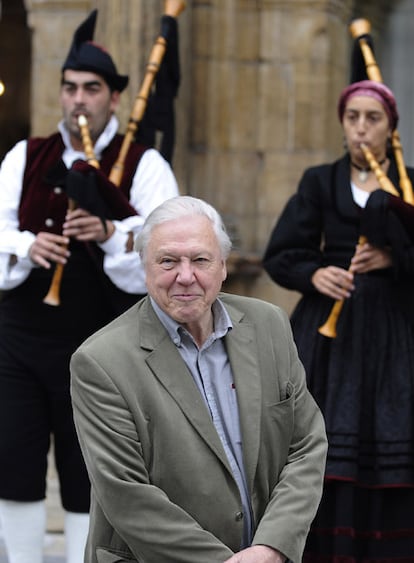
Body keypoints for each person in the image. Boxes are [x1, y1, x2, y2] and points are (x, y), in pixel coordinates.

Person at [0, 9, 179, 563]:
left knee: (89, 469)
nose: (78, 100)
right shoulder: (27, 155)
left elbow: (164, 241)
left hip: (102, 347)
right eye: (70, 88)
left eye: (92, 89)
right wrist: (30, 246)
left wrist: (107, 232)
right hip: (20, 341)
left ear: (114, 99)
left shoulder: (143, 163)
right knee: (14, 463)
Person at [70, 195, 327, 563]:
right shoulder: (100, 362)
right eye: (168, 261)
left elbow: (306, 446)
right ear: (144, 267)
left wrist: (273, 545)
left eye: (201, 260)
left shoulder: (269, 325)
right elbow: (124, 493)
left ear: (223, 266)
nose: (185, 276)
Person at [262, 80, 414, 561]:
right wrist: (316, 273)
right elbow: (281, 255)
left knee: (387, 439)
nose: (362, 129)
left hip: (395, 332)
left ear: (391, 126)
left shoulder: (409, 184)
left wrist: (395, 261)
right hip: (329, 336)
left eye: (373, 119)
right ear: (342, 123)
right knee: (318, 439)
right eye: (353, 118)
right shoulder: (319, 182)